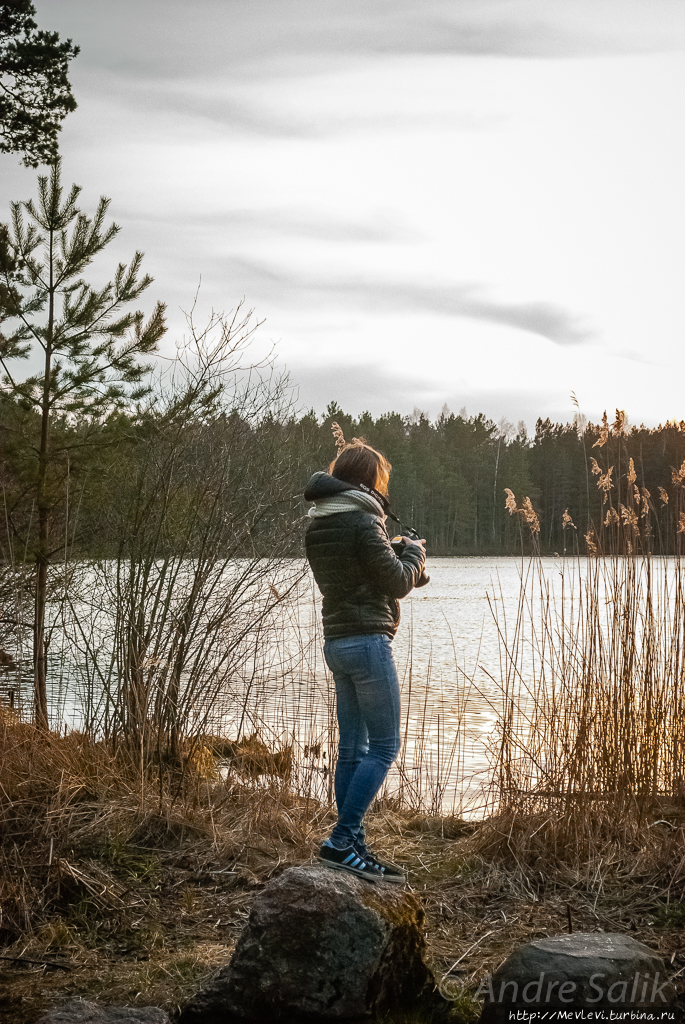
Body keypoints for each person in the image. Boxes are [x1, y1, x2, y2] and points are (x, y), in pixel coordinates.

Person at [304, 438, 426, 883]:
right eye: (380, 480)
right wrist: (413, 552)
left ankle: (351, 844)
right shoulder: (362, 522)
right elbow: (396, 583)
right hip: (369, 645)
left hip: (337, 643)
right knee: (385, 747)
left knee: (351, 749)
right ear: (369, 481)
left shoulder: (320, 522)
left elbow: (360, 572)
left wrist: (394, 553)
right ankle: (341, 839)